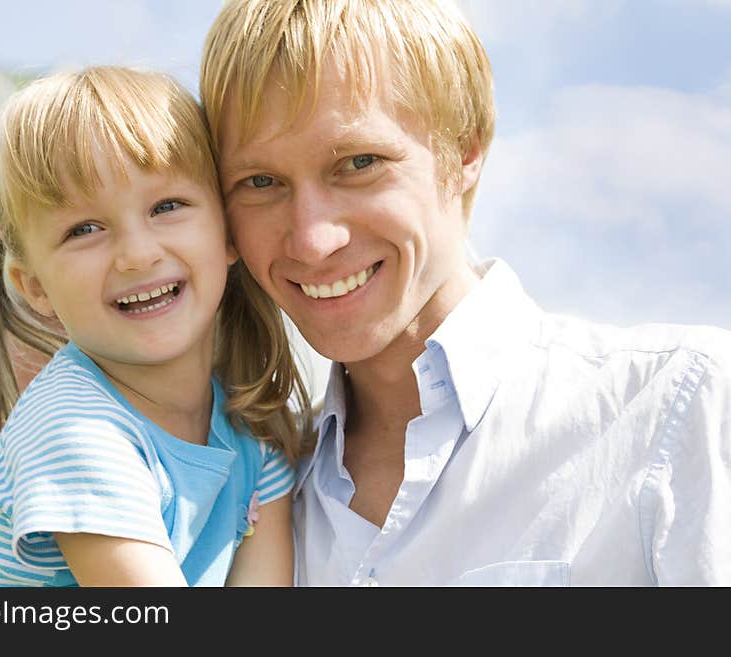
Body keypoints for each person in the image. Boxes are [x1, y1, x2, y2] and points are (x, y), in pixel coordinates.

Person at [200, 0, 731, 585]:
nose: (312, 240)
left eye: (358, 163)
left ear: (465, 151)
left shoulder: (683, 407)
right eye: (261, 182)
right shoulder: (246, 492)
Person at [0, 66, 311, 587]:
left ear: (229, 233)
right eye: (85, 229)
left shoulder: (252, 432)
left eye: (167, 206)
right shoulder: (73, 431)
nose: (138, 255)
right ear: (34, 286)